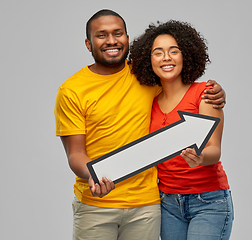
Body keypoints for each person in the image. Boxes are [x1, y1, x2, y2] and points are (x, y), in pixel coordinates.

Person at [54, 9, 226, 240]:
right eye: (101, 35)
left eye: (118, 33)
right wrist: (92, 175)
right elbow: (75, 153)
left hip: (148, 206)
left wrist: (216, 92)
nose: (112, 41)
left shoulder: (145, 77)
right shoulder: (71, 90)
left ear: (127, 38)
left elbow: (179, 85)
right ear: (88, 43)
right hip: (97, 203)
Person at [129, 20, 234, 240]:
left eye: (173, 51)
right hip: (167, 204)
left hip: (208, 201)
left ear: (185, 55)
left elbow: (215, 149)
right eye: (158, 52)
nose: (166, 57)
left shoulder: (204, 94)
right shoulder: (149, 102)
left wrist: (201, 157)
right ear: (149, 61)